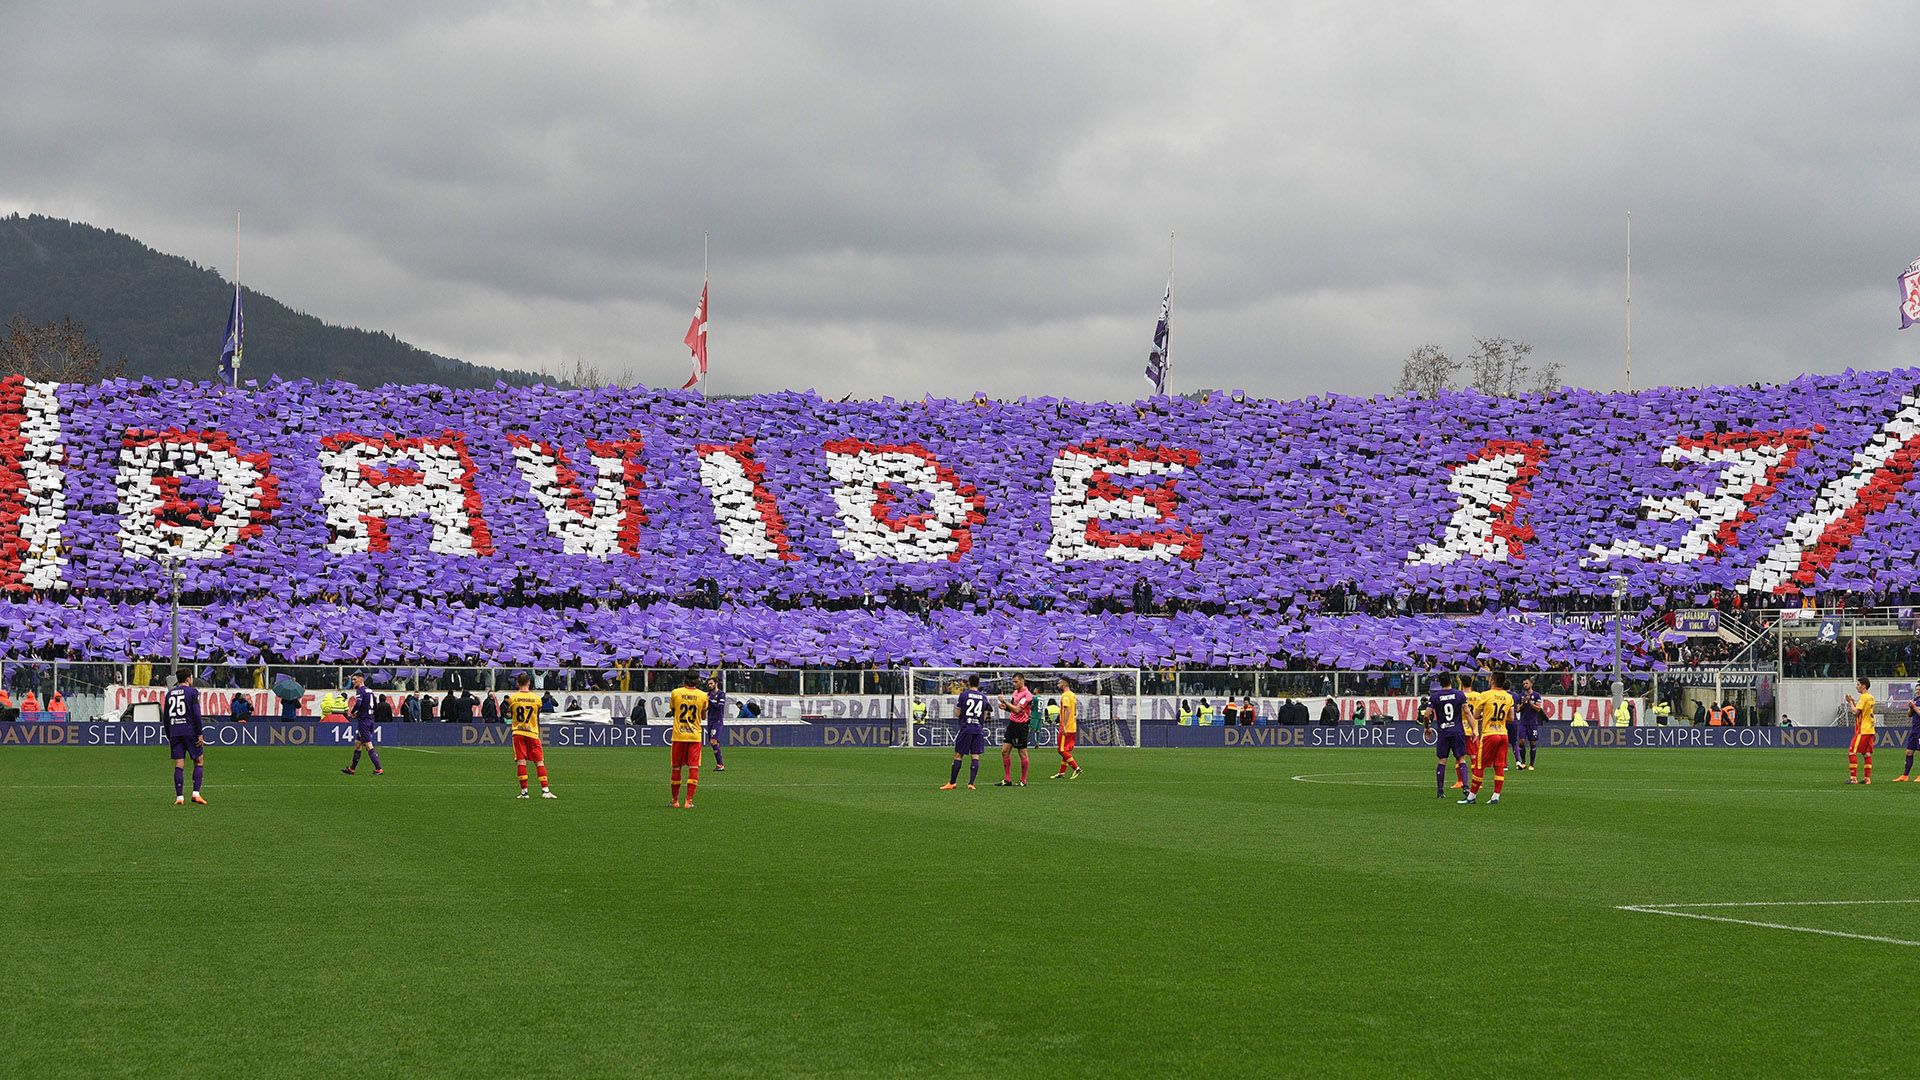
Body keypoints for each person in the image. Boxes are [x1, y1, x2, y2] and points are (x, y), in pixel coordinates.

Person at [1460, 671, 1515, 806]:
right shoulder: (1509, 697)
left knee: (1479, 765)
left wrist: (1487, 714)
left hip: (1490, 734)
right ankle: (1495, 796)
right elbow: (1511, 718)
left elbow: (1476, 715)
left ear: (1492, 681)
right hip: (1503, 733)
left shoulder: (1485, 695)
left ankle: (1471, 796)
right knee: (1499, 765)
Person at [505, 673, 556, 799]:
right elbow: (537, 713)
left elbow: (510, 714)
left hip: (518, 732)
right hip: (532, 732)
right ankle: (545, 791)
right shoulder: (537, 699)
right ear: (529, 683)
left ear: (517, 683)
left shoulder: (512, 698)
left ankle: (524, 793)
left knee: (521, 762)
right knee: (539, 762)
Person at [1421, 672, 1472, 797]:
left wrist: (1427, 728)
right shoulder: (1459, 694)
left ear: (1439, 682)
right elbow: (1467, 712)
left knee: (1442, 760)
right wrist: (1474, 729)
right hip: (1458, 731)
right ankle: (1465, 786)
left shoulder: (1435, 696)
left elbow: (1427, 715)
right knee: (1461, 759)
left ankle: (1440, 791)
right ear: (1451, 680)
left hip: (1444, 732)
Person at [164, 670, 207, 806]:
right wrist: (199, 733)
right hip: (190, 731)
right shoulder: (192, 692)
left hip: (175, 731)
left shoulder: (169, 693)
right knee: (198, 761)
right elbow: (196, 714)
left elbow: (166, 717)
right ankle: (196, 794)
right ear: (188, 679)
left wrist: (169, 734)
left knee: (179, 764)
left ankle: (179, 797)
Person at [941, 674, 989, 790]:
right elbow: (985, 715)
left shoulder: (964, 695)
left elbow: (958, 713)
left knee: (958, 755)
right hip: (978, 729)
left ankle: (952, 783)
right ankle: (971, 783)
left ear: (968, 683)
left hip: (966, 728)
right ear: (978, 683)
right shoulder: (983, 697)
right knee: (975, 755)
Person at [668, 671, 709, 808]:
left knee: (676, 768)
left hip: (679, 736)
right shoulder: (703, 696)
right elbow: (703, 716)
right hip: (694, 736)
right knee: (693, 768)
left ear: (684, 679)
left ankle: (675, 801)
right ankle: (688, 801)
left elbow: (674, 712)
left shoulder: (676, 693)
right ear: (697, 681)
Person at [340, 673, 383, 776]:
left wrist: (353, 711)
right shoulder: (370, 690)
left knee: (368, 745)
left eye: (355, 679)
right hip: (369, 719)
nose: (353, 682)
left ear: (360, 680)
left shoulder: (360, 690)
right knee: (358, 744)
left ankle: (379, 768)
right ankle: (352, 769)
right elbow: (375, 706)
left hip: (364, 721)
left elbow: (359, 703)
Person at [995, 674, 1035, 787]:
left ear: (1022, 681)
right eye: (1013, 682)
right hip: (1012, 724)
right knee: (1004, 751)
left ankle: (1023, 780)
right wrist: (1005, 707)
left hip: (1021, 726)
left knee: (1022, 753)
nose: (1014, 684)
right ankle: (1007, 779)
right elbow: (1013, 709)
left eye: (1016, 682)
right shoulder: (1015, 693)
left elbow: (1017, 710)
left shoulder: (1027, 695)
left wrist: (1005, 701)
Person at [1846, 677, 1876, 785]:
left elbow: (1855, 712)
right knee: (1866, 753)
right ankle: (1867, 779)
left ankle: (1853, 778)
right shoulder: (1871, 697)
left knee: (1851, 751)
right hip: (1871, 729)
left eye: (1858, 684)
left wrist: (1850, 702)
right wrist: (1854, 701)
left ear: (1863, 686)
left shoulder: (1863, 697)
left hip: (1863, 730)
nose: (1857, 686)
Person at [1050, 676, 1081, 779]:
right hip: (1073, 727)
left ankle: (1076, 768)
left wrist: (1063, 725)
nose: (1058, 685)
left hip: (1066, 728)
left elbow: (1067, 711)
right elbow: (1075, 711)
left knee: (1061, 750)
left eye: (1059, 683)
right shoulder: (1073, 695)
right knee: (1066, 750)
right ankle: (1061, 772)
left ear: (1064, 684)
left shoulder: (1065, 696)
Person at [1513, 678, 1546, 771]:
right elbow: (1518, 709)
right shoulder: (1521, 696)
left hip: (1533, 722)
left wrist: (1530, 702)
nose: (1525, 685)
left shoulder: (1536, 695)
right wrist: (1523, 703)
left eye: (1526, 683)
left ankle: (1531, 764)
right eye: (1524, 684)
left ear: (1531, 684)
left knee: (1533, 743)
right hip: (1523, 722)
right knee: (1521, 742)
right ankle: (1523, 763)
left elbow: (1538, 708)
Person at [705, 675, 728, 772]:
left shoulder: (721, 694)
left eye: (711, 683)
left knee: (713, 742)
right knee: (714, 743)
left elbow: (719, 707)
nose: (709, 685)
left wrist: (709, 702)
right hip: (710, 720)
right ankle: (720, 764)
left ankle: (720, 765)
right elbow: (706, 707)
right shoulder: (708, 694)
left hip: (717, 721)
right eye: (708, 684)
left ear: (716, 683)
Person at [1897, 696, 1920, 782]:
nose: (1917, 691)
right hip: (1914, 729)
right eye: (1917, 689)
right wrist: (1911, 708)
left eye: (1919, 690)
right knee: (1909, 752)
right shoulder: (1916, 700)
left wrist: (1914, 707)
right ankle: (1905, 775)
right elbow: (1909, 715)